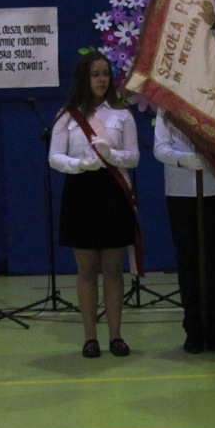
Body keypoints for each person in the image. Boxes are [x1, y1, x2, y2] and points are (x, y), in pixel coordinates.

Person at [48, 50, 139, 358]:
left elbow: (134, 157)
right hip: (80, 192)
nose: (102, 80)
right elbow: (54, 157)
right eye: (95, 74)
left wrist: (114, 156)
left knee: (112, 268)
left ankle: (116, 336)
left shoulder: (122, 114)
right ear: (83, 79)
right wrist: (79, 165)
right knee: (86, 269)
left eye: (106, 74)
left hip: (114, 192)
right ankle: (90, 338)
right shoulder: (67, 115)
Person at [154, 92, 215, 354]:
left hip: (214, 187)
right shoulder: (168, 99)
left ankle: (214, 328)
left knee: (213, 261)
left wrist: (207, 150)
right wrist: (183, 159)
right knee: (187, 261)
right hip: (179, 191)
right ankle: (193, 330)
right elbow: (160, 148)